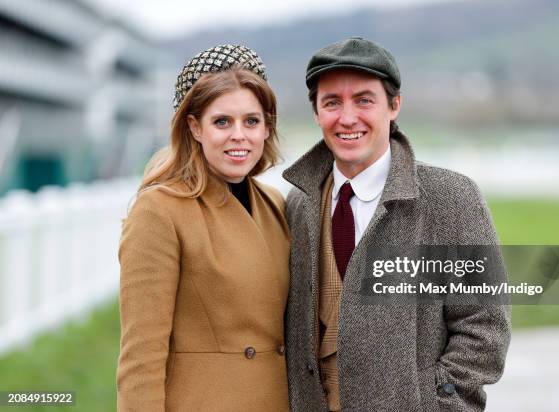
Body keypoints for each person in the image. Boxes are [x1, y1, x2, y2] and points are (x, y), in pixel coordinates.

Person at [282, 37, 511, 411]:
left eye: (364, 100)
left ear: (394, 106)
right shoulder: (298, 203)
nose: (347, 117)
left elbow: (484, 327)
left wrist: (441, 405)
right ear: (316, 113)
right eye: (332, 103)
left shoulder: (453, 198)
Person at [116, 44, 290, 411]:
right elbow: (140, 359)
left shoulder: (276, 204)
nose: (239, 135)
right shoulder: (160, 210)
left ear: (267, 127)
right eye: (222, 121)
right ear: (194, 127)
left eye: (252, 121)